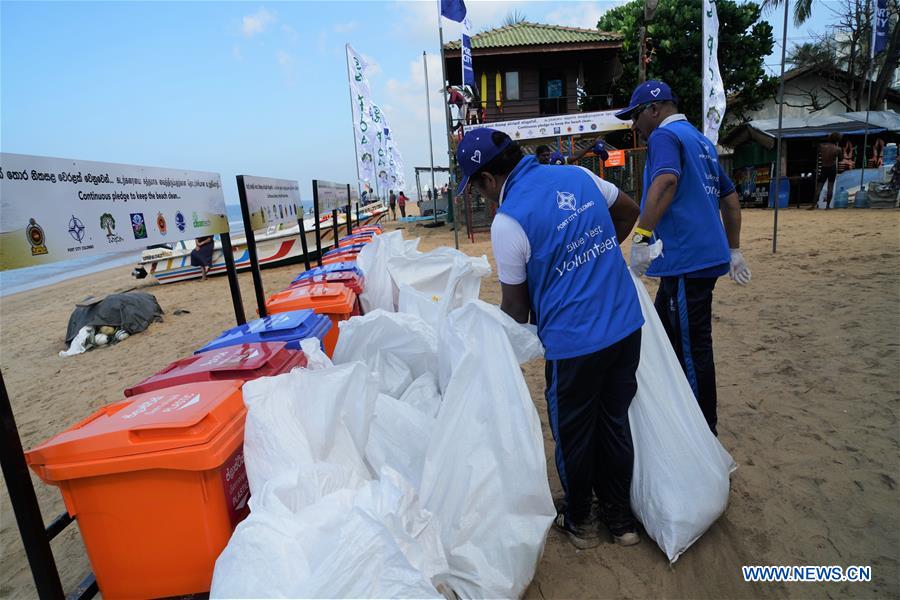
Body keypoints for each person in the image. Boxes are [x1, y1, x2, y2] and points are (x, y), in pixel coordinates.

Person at [456, 128, 645, 548]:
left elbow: (516, 310)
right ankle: (621, 520)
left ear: (488, 179)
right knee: (614, 421)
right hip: (625, 325)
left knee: (573, 431)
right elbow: (629, 210)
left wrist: (487, 345)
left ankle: (580, 519)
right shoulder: (578, 176)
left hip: (574, 343)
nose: (481, 199)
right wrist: (592, 259)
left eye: (477, 189)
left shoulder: (509, 221)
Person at [615, 80, 750, 436]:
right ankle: (675, 415)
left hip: (687, 262)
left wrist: (642, 235)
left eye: (635, 116)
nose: (634, 126)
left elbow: (665, 183)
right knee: (663, 337)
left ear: (654, 109)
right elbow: (731, 198)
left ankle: (703, 434)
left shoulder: (664, 136)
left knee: (692, 349)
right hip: (697, 261)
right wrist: (733, 249)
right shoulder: (701, 142)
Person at [812, 132, 842, 210]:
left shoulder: (822, 146)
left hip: (824, 167)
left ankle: (813, 205)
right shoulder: (838, 149)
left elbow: (816, 148)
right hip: (832, 168)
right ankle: (827, 206)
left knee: (819, 187)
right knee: (830, 187)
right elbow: (841, 159)